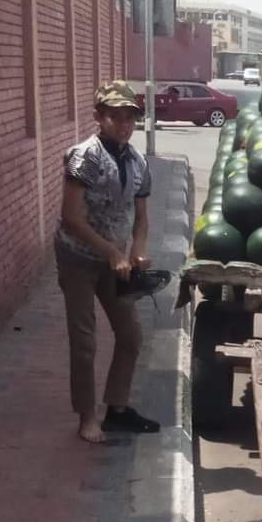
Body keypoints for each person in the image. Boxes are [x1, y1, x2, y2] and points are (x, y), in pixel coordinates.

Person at [55, 81, 160, 444]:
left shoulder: (138, 162)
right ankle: (87, 416)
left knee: (130, 336)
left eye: (130, 117)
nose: (124, 124)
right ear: (99, 117)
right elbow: (70, 217)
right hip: (79, 258)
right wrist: (113, 253)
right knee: (85, 341)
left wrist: (138, 249)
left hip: (116, 262)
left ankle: (117, 408)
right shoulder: (84, 157)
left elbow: (141, 217)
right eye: (115, 116)